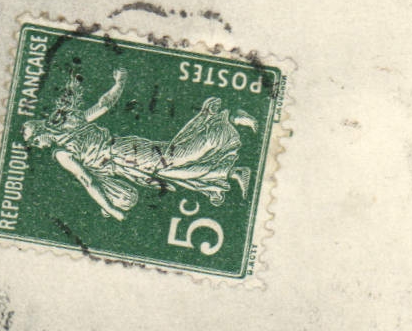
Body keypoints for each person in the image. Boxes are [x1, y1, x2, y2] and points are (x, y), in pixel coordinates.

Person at [23, 68, 256, 222]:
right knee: (174, 171)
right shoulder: (73, 126)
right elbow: (104, 105)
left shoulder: (63, 152)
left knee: (176, 157)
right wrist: (119, 82)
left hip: (125, 154)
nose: (37, 146)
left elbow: (88, 180)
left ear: (41, 131)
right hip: (126, 161)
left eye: (34, 141)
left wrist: (112, 209)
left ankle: (228, 119)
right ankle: (233, 172)